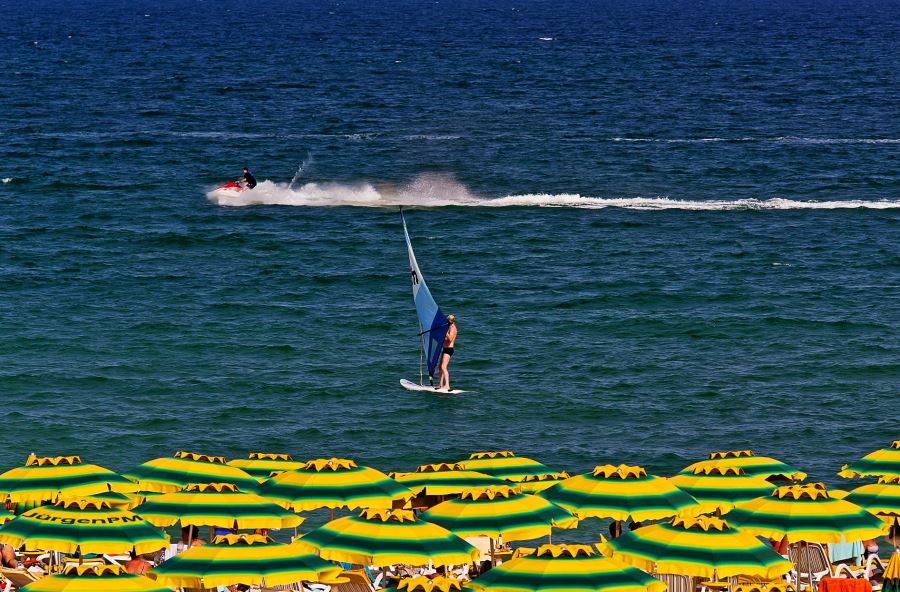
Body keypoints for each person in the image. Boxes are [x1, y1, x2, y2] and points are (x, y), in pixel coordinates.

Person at [437, 314, 457, 390]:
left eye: (448, 320)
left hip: (449, 349)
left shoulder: (453, 328)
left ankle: (447, 386)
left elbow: (450, 339)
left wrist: (445, 332)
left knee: (443, 367)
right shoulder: (448, 327)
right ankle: (440, 385)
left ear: (452, 321)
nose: (447, 321)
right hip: (445, 349)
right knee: (440, 367)